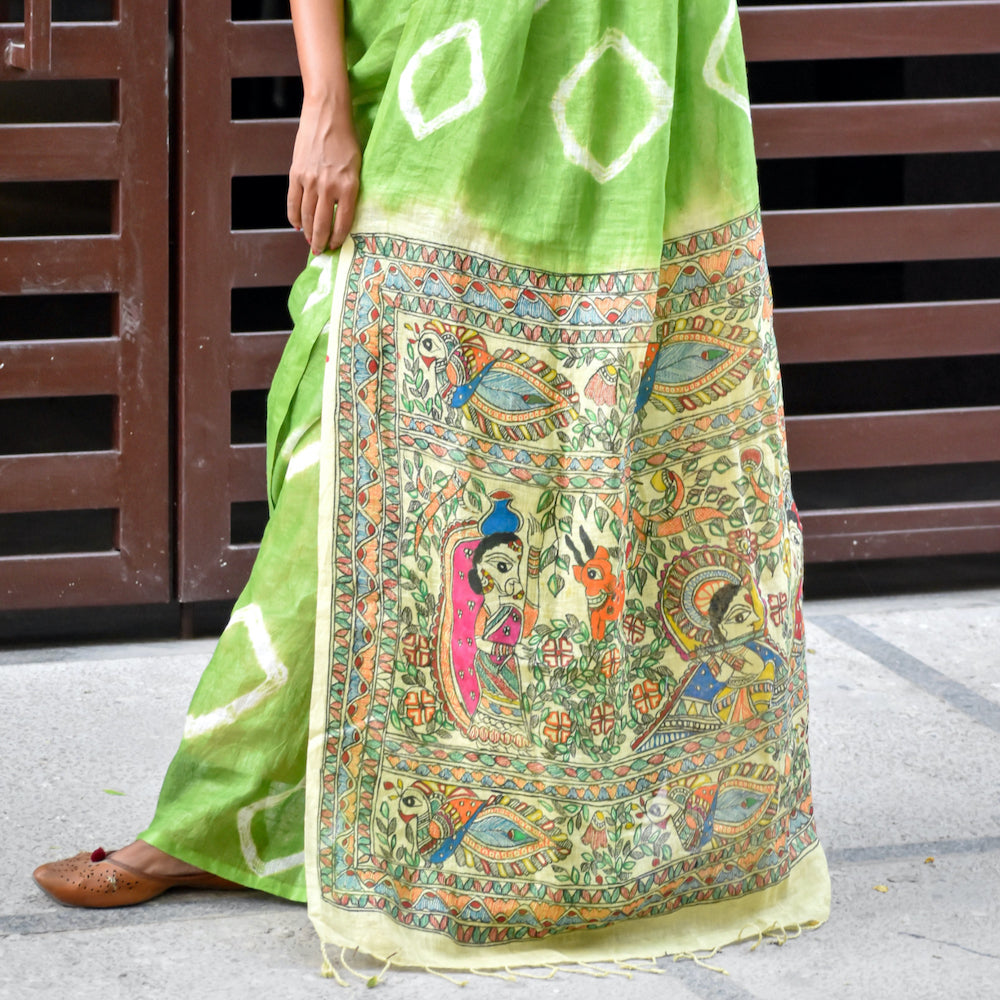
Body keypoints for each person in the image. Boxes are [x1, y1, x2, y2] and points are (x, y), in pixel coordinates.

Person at [33, 0, 829, 971]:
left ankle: (563, 824)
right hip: (447, 75)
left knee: (625, 435)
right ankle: (226, 814)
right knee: (345, 437)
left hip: (640, 75)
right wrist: (324, 102)